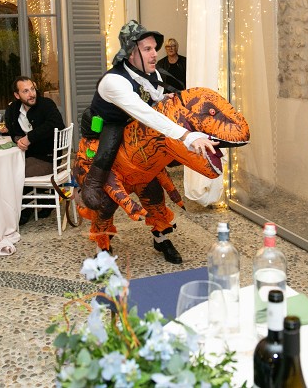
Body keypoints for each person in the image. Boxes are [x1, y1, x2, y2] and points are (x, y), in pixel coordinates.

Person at [79, 20, 214, 263]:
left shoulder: (153, 75)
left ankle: (161, 238)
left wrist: (170, 102)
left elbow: (157, 100)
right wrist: (186, 136)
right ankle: (95, 192)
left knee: (153, 192)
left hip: (136, 140)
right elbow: (145, 113)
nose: (154, 54)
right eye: (147, 49)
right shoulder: (114, 81)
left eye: (154, 48)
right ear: (131, 52)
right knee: (106, 202)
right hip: (109, 128)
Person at [4, 76, 65, 223]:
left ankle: (25, 209)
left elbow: (57, 124)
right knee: (5, 169)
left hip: (47, 158)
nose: (31, 94)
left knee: (14, 173)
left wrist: (29, 138)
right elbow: (12, 130)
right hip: (25, 156)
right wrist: (18, 139)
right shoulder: (13, 109)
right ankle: (36, 201)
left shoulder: (46, 104)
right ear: (17, 95)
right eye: (25, 91)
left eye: (32, 89)